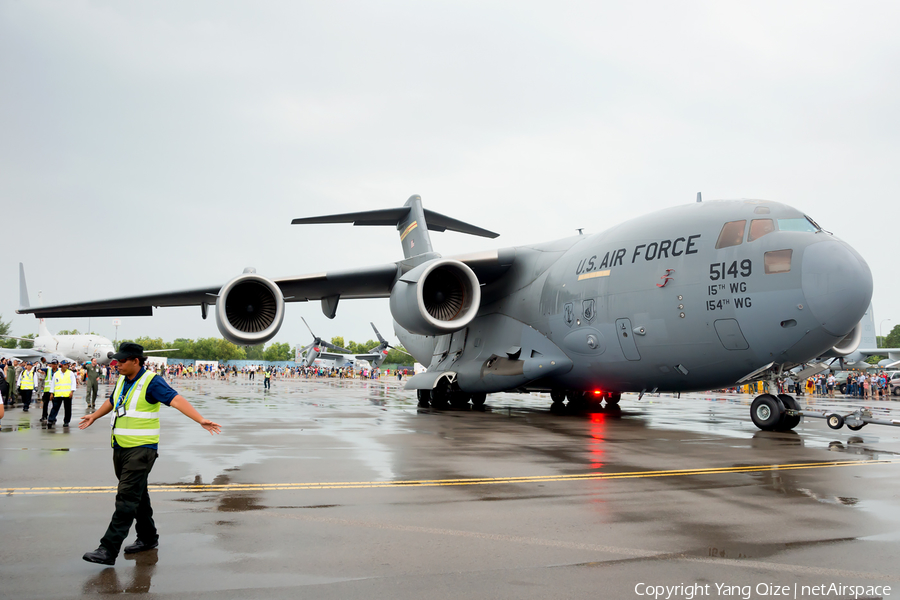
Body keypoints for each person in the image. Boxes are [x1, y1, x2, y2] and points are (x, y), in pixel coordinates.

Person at [79, 343, 221, 566]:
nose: (117, 364)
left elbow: (176, 400)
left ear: (136, 361)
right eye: (116, 361)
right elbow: (112, 401)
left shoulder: (151, 381)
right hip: (120, 448)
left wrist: (200, 419)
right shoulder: (123, 380)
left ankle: (108, 549)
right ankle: (148, 538)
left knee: (126, 498)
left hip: (142, 450)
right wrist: (94, 416)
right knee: (138, 496)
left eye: (122, 361)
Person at [48, 359, 77, 427]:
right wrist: (51, 393)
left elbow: (73, 383)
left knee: (67, 409)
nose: (66, 366)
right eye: (64, 365)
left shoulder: (70, 373)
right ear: (61, 365)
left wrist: (72, 391)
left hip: (67, 394)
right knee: (55, 408)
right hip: (58, 394)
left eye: (67, 365)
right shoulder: (56, 374)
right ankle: (50, 420)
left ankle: (66, 421)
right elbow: (53, 384)